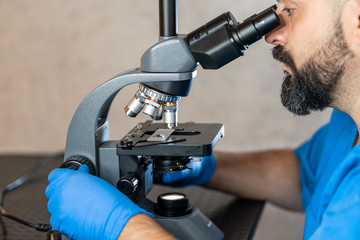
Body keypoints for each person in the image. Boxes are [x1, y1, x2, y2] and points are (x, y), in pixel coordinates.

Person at [45, 0, 360, 239]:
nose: (271, 35)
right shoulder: (348, 123)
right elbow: (305, 176)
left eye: (291, 9)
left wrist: (122, 227)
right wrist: (205, 167)